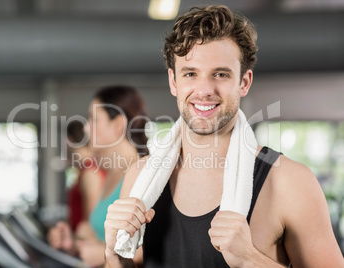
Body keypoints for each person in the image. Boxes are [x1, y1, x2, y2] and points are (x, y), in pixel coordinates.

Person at [104, 5, 344, 268]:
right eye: (191, 74)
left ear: (244, 82)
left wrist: (249, 259)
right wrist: (113, 255)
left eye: (220, 74)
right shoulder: (140, 176)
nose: (205, 90)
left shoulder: (290, 182)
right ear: (174, 81)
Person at [51, 85, 149, 267]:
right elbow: (101, 239)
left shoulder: (142, 174)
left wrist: (105, 252)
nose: (86, 128)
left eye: (94, 119)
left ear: (118, 124)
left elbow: (159, 248)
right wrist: (73, 243)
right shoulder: (111, 173)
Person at [48, 121, 105, 255]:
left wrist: (77, 244)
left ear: (69, 140)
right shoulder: (85, 169)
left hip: (86, 250)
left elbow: (91, 222)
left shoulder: (90, 172)